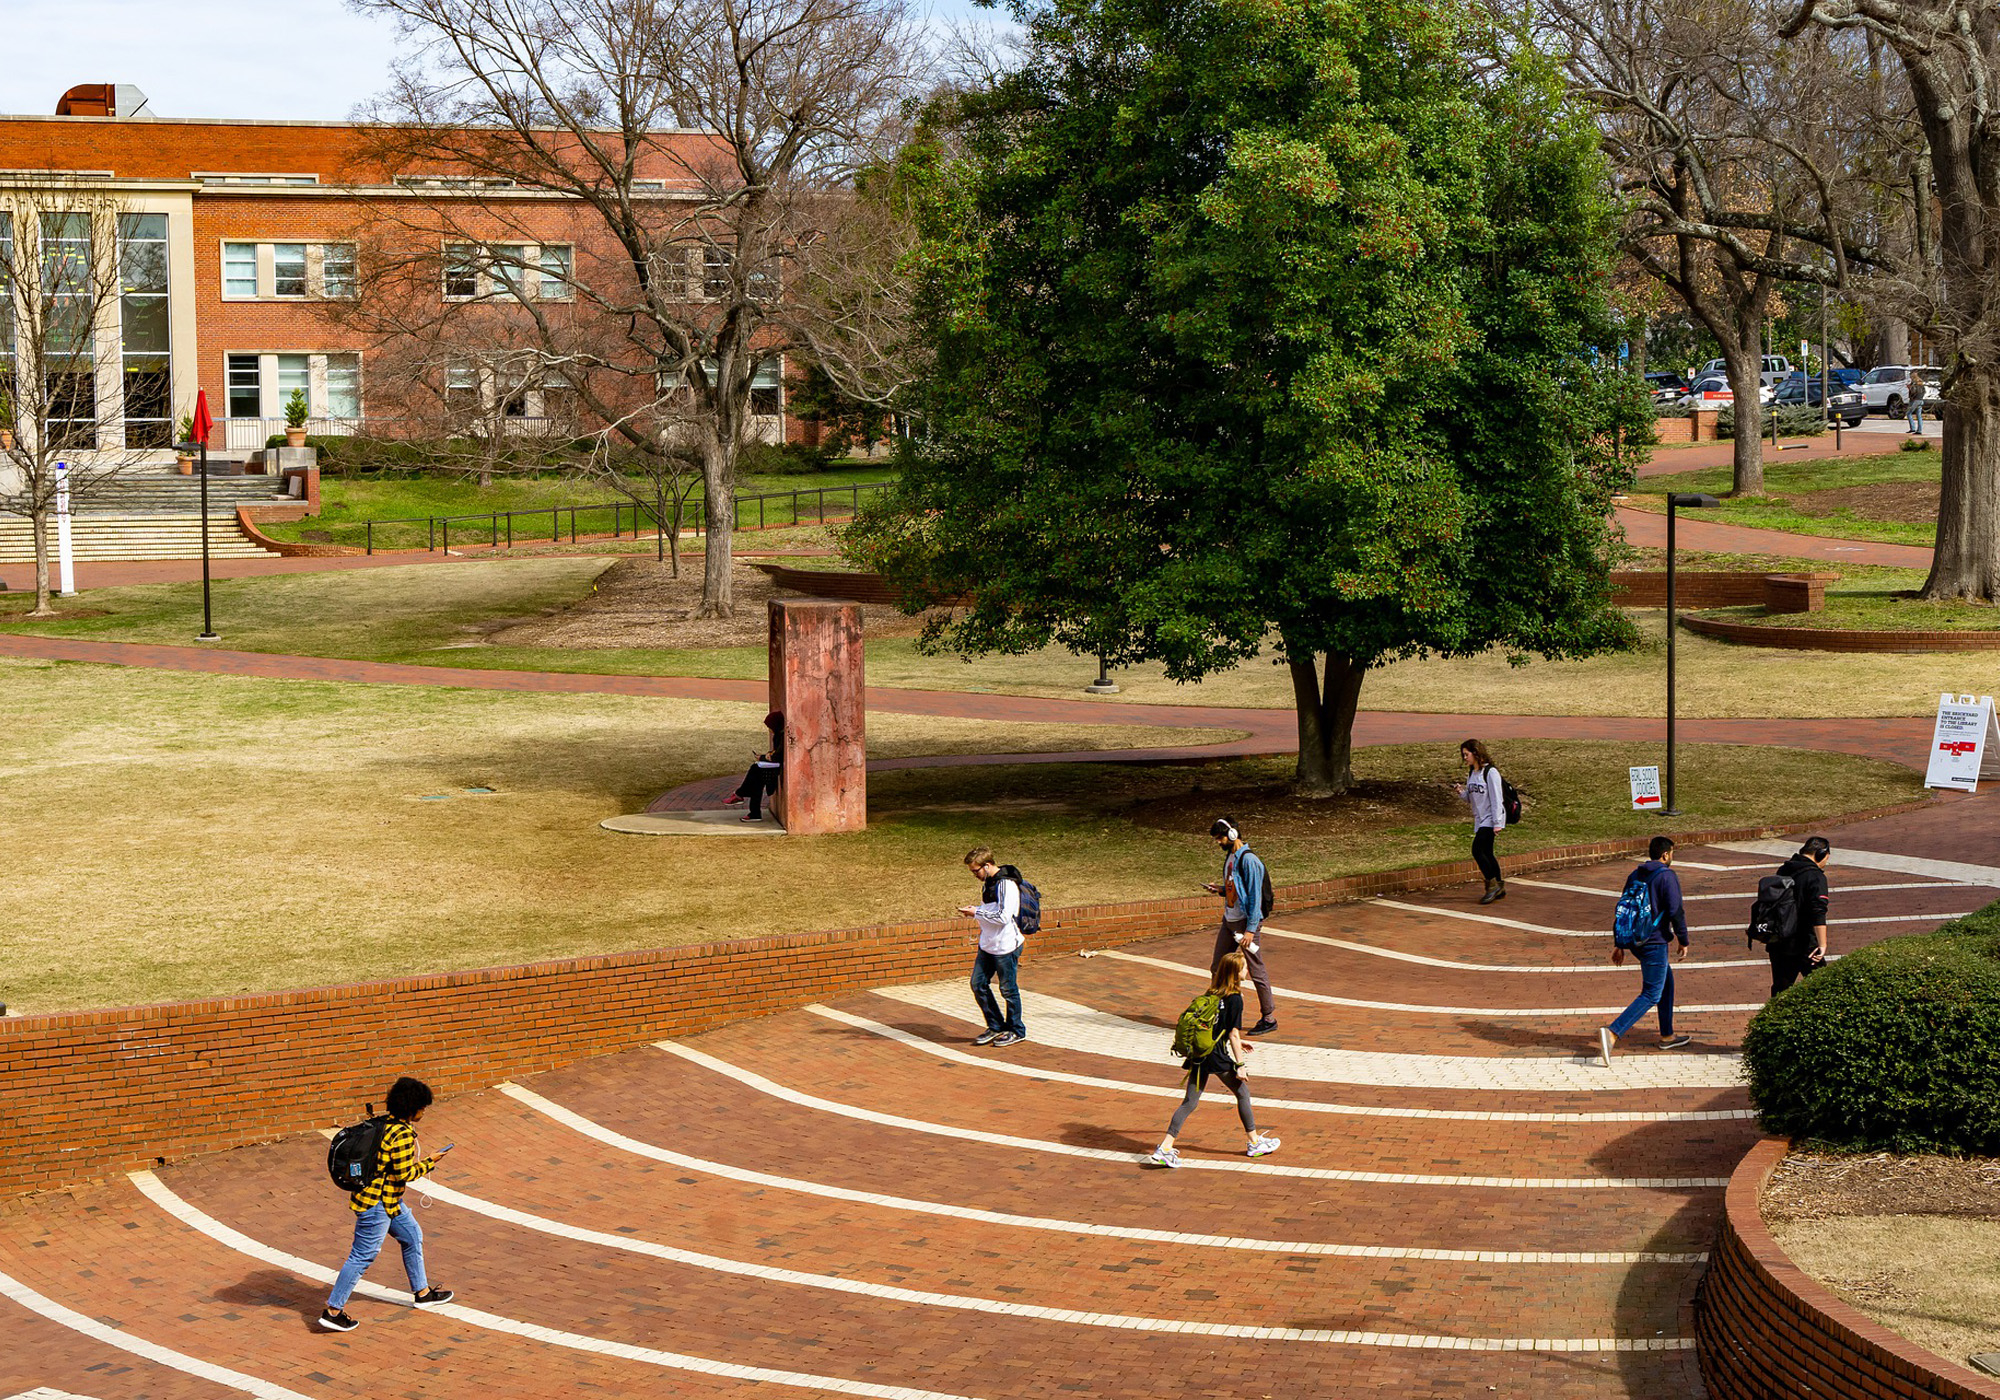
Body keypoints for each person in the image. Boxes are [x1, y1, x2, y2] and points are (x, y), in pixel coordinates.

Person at [319, 1076, 455, 1332]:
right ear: (412, 1108)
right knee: (362, 1255)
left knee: (412, 1235)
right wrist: (432, 1160)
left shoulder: (386, 1124)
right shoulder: (402, 1135)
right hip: (379, 1204)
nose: (424, 1111)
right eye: (422, 1107)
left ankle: (422, 1292)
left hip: (388, 1201)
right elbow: (405, 1174)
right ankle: (333, 1311)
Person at [1147, 951, 1280, 1167]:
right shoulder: (1236, 998)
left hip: (1201, 1053)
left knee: (1190, 1102)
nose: (1248, 971)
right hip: (1216, 1056)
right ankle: (1255, 1143)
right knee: (1242, 1093)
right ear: (1236, 974)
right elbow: (1234, 1033)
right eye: (1245, 968)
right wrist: (1240, 1065)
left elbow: (1218, 1026)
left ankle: (1165, 1147)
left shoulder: (1214, 992)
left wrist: (1234, 1040)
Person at [1597, 836, 1693, 1065]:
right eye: (1672, 854)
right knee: (1651, 993)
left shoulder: (1635, 874)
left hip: (1634, 941)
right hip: (1653, 941)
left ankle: (1667, 1035)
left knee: (1666, 982)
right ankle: (1612, 1033)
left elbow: (1623, 908)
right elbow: (1675, 910)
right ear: (1666, 855)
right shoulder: (1666, 876)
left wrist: (1619, 943)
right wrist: (1683, 939)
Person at [1205, 818, 1276, 1035]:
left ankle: (1269, 1017)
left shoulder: (1249, 860)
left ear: (1233, 834)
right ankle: (1214, 1011)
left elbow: (1254, 897)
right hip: (1230, 921)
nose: (1218, 842)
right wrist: (1220, 890)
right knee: (1217, 966)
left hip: (1245, 924)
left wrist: (1250, 930)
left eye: (1220, 838)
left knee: (1255, 969)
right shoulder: (1231, 857)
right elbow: (1236, 889)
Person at [957, 846, 1026, 1047]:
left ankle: (1016, 1030)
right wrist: (976, 910)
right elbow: (990, 909)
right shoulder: (989, 882)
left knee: (1008, 990)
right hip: (988, 945)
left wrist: (976, 913)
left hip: (1005, 947)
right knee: (978, 984)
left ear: (987, 866)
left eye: (975, 870)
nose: (974, 875)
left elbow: (1004, 916)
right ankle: (996, 1025)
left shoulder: (1006, 885)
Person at [1769, 836, 1832, 995]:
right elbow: (1818, 911)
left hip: (1780, 940)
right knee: (1824, 989)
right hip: (1804, 943)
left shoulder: (1785, 869)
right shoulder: (1816, 876)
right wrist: (1822, 945)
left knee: (1780, 990)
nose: (1826, 862)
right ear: (1820, 854)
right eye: (1826, 858)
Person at [1453, 740, 1507, 904]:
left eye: (1466, 754)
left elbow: (1497, 798)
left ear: (1476, 753)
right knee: (1488, 853)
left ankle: (1491, 885)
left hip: (1491, 818)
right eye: (1463, 755)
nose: (1465, 758)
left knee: (1477, 849)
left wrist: (1497, 822)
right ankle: (1499, 885)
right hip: (1480, 819)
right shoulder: (1472, 773)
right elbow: (1471, 797)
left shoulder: (1490, 772)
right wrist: (1461, 792)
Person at [722, 711, 784, 822]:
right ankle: (753, 811)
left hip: (776, 769)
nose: (769, 729)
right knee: (756, 780)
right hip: (773, 766)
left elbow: (777, 756)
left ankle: (740, 795)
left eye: (770, 727)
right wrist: (766, 756)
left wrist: (763, 758)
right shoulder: (777, 736)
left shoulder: (783, 737)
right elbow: (774, 754)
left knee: (755, 770)